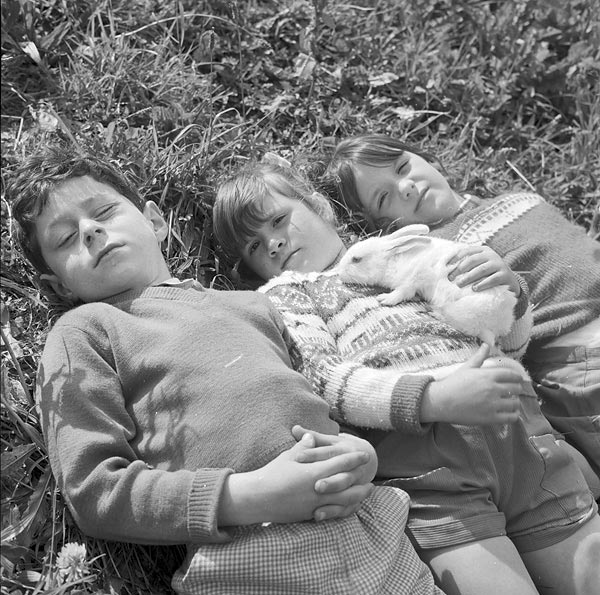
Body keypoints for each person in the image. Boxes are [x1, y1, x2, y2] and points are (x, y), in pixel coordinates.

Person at [7, 146, 444, 595]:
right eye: (64, 239)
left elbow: (331, 391)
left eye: (103, 211)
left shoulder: (257, 305)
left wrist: (360, 454)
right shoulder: (84, 331)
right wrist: (251, 494)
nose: (91, 230)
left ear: (155, 222)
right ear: (56, 285)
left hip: (375, 538)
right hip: (249, 561)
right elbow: (94, 490)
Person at [212, 160, 600, 595]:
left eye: (279, 220)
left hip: (523, 439)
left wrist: (510, 295)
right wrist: (431, 398)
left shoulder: (414, 250)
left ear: (320, 206)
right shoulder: (287, 296)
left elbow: (505, 346)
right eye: (254, 247)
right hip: (432, 471)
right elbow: (325, 381)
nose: (274, 242)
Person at [323, 133, 600, 486]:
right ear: (382, 229)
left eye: (403, 167)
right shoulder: (430, 254)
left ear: (429, 159)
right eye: (384, 197)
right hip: (576, 356)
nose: (405, 187)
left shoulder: (516, 200)